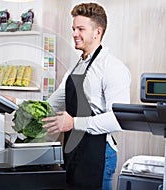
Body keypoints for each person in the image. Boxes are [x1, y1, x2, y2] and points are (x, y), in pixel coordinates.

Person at [7, 3, 131, 190]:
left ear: (97, 32)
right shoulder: (77, 66)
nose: (74, 33)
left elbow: (118, 120)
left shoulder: (112, 68)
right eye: (73, 28)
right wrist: (17, 103)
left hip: (99, 154)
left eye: (80, 29)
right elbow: (50, 105)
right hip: (74, 150)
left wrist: (74, 123)